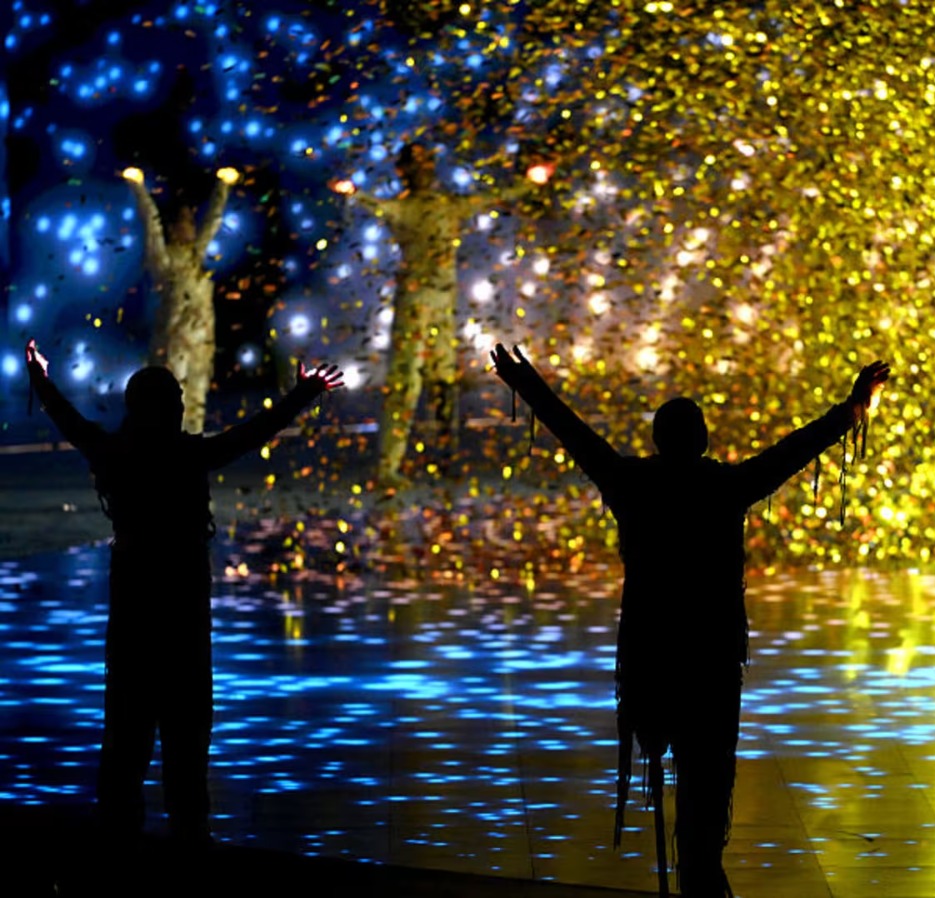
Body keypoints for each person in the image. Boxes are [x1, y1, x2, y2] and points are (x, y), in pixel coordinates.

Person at [491, 343, 890, 898]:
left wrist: (525, 382)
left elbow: (572, 431)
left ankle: (693, 871)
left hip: (650, 655)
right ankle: (702, 874)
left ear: (657, 440)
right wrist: (851, 410)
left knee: (665, 763)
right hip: (710, 659)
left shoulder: (631, 482)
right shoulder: (723, 487)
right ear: (702, 440)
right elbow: (794, 451)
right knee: (706, 781)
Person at [25, 338, 344, 846]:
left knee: (125, 740)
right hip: (182, 621)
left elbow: (67, 418)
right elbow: (251, 433)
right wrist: (302, 394)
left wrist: (40, 378)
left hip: (133, 618)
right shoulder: (189, 455)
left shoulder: (115, 454)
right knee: (186, 746)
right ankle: (188, 849)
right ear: (168, 408)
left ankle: (118, 850)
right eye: (173, 400)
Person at [333, 143, 551, 487]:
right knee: (407, 383)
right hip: (416, 303)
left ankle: (445, 460)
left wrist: (528, 183)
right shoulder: (405, 208)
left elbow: (492, 197)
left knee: (444, 382)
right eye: (416, 164)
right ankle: (389, 467)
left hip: (441, 304)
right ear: (405, 171)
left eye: (427, 162)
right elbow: (375, 204)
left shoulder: (447, 206)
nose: (424, 169)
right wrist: (354, 193)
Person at [124, 165, 239, 433]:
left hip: (202, 343)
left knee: (197, 402)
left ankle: (192, 454)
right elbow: (151, 224)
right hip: (173, 344)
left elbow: (212, 222)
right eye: (185, 221)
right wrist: (138, 187)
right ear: (174, 228)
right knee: (170, 403)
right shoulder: (165, 261)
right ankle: (166, 454)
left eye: (191, 220)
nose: (191, 227)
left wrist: (223, 187)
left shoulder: (195, 258)